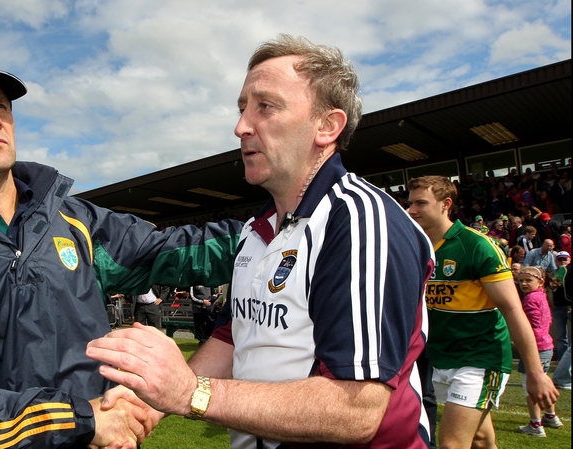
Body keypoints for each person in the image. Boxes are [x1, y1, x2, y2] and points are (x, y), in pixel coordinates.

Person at [87, 35, 436, 448]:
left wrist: (190, 393)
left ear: (327, 126)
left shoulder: (359, 220)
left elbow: (355, 408)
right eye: (242, 108)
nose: (241, 127)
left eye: (265, 107)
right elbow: (232, 336)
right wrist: (151, 406)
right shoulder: (256, 230)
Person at [0, 60, 243, 449]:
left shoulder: (75, 220)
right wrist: (82, 420)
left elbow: (174, 250)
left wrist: (271, 232)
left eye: (1, 105)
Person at [405, 176, 558, 449]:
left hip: (480, 357)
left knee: (452, 443)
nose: (411, 210)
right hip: (442, 357)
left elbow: (512, 309)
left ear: (445, 204)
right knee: (481, 440)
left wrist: (535, 372)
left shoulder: (476, 245)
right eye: (410, 203)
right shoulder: (415, 246)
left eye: (420, 203)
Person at [515, 266, 562, 437]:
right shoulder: (540, 296)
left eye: (528, 280)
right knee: (542, 382)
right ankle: (551, 416)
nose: (524, 284)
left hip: (535, 348)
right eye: (520, 281)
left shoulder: (530, 299)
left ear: (540, 281)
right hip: (546, 345)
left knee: (531, 387)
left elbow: (531, 325)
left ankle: (536, 425)